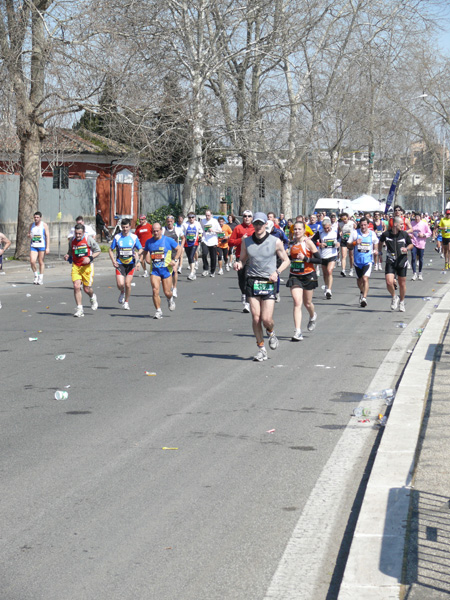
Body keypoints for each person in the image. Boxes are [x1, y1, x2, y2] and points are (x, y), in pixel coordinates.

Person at [234, 212, 290, 361]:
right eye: (256, 223)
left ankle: (271, 332)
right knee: (256, 317)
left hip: (268, 281)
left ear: (266, 224)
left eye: (261, 223)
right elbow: (243, 259)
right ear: (253, 224)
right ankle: (261, 349)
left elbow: (286, 260)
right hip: (252, 281)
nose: (258, 226)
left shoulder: (275, 241)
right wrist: (239, 263)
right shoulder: (246, 241)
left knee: (266, 319)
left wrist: (277, 272)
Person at [287, 222, 321, 341]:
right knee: (297, 302)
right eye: (295, 229)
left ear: (304, 230)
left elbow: (319, 260)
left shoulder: (308, 242)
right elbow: (290, 258)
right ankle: (298, 331)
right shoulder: (291, 243)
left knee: (307, 303)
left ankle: (312, 315)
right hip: (295, 275)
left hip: (308, 274)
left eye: (299, 229)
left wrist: (306, 258)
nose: (297, 231)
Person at [143, 222, 181, 319]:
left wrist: (175, 260)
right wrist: (145, 258)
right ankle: (158, 311)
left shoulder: (168, 240)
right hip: (154, 270)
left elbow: (179, 249)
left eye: (157, 231)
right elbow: (145, 251)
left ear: (161, 230)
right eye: (154, 231)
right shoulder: (149, 242)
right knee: (155, 290)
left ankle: (170, 299)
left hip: (166, 270)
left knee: (167, 292)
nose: (155, 233)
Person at [64, 223, 101, 317]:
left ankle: (92, 297)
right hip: (76, 266)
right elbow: (70, 251)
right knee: (76, 286)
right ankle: (79, 309)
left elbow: (98, 250)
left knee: (86, 289)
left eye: (80, 234)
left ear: (83, 232)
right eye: (76, 233)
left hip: (87, 267)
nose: (78, 236)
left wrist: (90, 258)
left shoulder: (88, 239)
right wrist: (68, 255)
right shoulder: (72, 240)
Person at [378, 216, 413, 312]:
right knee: (389, 281)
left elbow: (411, 244)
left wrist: (407, 249)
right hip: (391, 260)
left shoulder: (404, 234)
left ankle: (402, 302)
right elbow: (380, 243)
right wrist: (380, 253)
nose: (403, 226)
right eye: (401, 224)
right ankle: (394, 297)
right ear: (395, 224)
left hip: (402, 261)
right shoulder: (386, 234)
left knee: (402, 283)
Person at [109, 218, 142, 310]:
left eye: (127, 227)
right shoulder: (117, 237)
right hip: (120, 264)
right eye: (123, 227)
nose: (125, 229)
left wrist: (138, 255)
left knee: (127, 284)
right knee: (120, 284)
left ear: (130, 227)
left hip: (131, 264)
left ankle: (126, 302)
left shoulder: (134, 237)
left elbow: (140, 249)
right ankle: (122, 292)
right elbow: (110, 250)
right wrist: (113, 261)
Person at [349, 217, 378, 308]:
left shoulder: (372, 234)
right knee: (359, 280)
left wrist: (376, 250)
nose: (363, 227)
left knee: (365, 279)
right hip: (358, 261)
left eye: (365, 225)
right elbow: (348, 244)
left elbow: (376, 242)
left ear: (368, 225)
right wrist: (355, 243)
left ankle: (364, 298)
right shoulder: (355, 233)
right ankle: (362, 292)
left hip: (367, 261)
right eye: (361, 225)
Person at [228, 210, 255, 312]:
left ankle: (247, 303)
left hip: (252, 257)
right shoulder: (238, 228)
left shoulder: (255, 228)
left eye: (249, 216)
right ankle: (244, 293)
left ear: (252, 218)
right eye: (244, 216)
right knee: (241, 279)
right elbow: (230, 242)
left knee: (248, 278)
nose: (247, 218)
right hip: (240, 257)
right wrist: (241, 240)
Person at [317, 217, 339, 299]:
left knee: (329, 271)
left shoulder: (335, 231)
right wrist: (319, 244)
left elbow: (340, 238)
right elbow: (314, 240)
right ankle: (326, 287)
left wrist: (338, 243)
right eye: (325, 228)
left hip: (332, 254)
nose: (327, 229)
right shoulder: (320, 232)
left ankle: (329, 290)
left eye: (328, 228)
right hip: (323, 255)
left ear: (330, 226)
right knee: (325, 273)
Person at [162, 215, 183, 297]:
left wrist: (181, 247)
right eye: (168, 222)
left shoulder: (177, 230)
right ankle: (170, 287)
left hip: (175, 253)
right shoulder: (163, 230)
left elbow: (183, 237)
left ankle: (174, 288)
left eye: (171, 221)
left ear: (173, 222)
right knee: (169, 272)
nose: (169, 223)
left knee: (174, 270)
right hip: (166, 254)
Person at [28, 211, 50, 285]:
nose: (36, 219)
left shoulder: (44, 225)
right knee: (32, 261)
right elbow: (28, 234)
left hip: (42, 246)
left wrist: (47, 247)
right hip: (34, 246)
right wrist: (29, 236)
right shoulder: (31, 225)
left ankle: (41, 277)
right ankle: (36, 275)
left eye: (37, 217)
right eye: (35, 217)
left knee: (41, 262)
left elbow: (47, 236)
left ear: (40, 218)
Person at [200, 210, 222, 277]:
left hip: (213, 241)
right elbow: (201, 229)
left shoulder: (214, 221)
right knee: (204, 254)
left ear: (211, 215)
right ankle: (206, 269)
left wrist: (213, 230)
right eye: (206, 215)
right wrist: (200, 234)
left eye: (208, 215)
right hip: (205, 240)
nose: (207, 217)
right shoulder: (202, 221)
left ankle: (212, 271)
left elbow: (220, 231)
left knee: (213, 257)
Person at [411, 212, 432, 279]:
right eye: (415, 217)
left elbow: (429, 233)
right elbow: (408, 231)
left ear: (420, 217)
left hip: (421, 243)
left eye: (418, 217)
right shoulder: (412, 223)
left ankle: (420, 273)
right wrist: (410, 235)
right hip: (413, 242)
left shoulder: (424, 224)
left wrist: (423, 235)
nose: (416, 218)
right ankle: (414, 273)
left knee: (420, 259)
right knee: (413, 257)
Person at [182, 212, 203, 280]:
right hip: (187, 243)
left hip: (194, 243)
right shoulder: (185, 224)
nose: (191, 219)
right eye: (189, 217)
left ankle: (191, 273)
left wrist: (200, 237)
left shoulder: (197, 224)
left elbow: (201, 231)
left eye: (192, 217)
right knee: (189, 258)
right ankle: (193, 271)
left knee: (191, 256)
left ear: (195, 217)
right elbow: (181, 232)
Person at [338, 212, 355, 277]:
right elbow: (339, 230)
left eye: (345, 218)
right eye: (343, 219)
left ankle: (351, 269)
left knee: (351, 256)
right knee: (344, 256)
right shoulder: (340, 224)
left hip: (350, 241)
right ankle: (343, 270)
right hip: (344, 240)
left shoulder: (352, 223)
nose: (344, 220)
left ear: (348, 218)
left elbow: (356, 229)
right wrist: (340, 232)